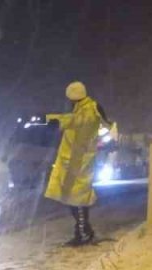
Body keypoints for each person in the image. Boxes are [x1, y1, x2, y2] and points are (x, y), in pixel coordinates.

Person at [45, 81, 111, 246]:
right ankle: (84, 231)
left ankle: (83, 234)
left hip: (79, 161)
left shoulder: (89, 110)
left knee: (78, 199)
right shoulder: (84, 108)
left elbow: (75, 121)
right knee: (73, 198)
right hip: (76, 160)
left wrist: (51, 120)